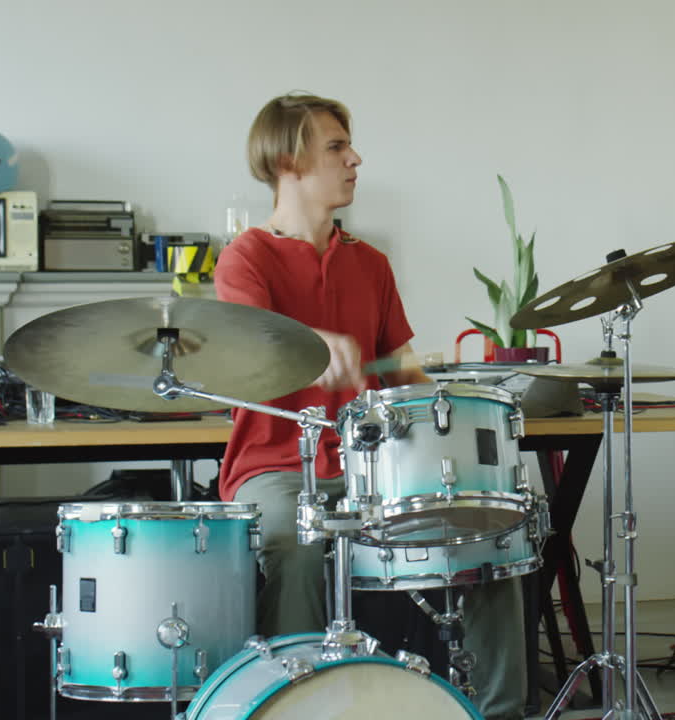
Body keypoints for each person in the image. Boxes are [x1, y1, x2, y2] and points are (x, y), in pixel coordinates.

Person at [214, 92, 526, 720]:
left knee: (492, 532)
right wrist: (308, 347)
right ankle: (296, 707)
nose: (355, 159)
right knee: (295, 541)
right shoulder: (247, 257)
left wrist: (439, 387)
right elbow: (247, 351)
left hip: (370, 473)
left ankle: (498, 712)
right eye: (335, 147)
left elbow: (403, 374)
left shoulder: (371, 264)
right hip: (276, 467)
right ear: (288, 161)